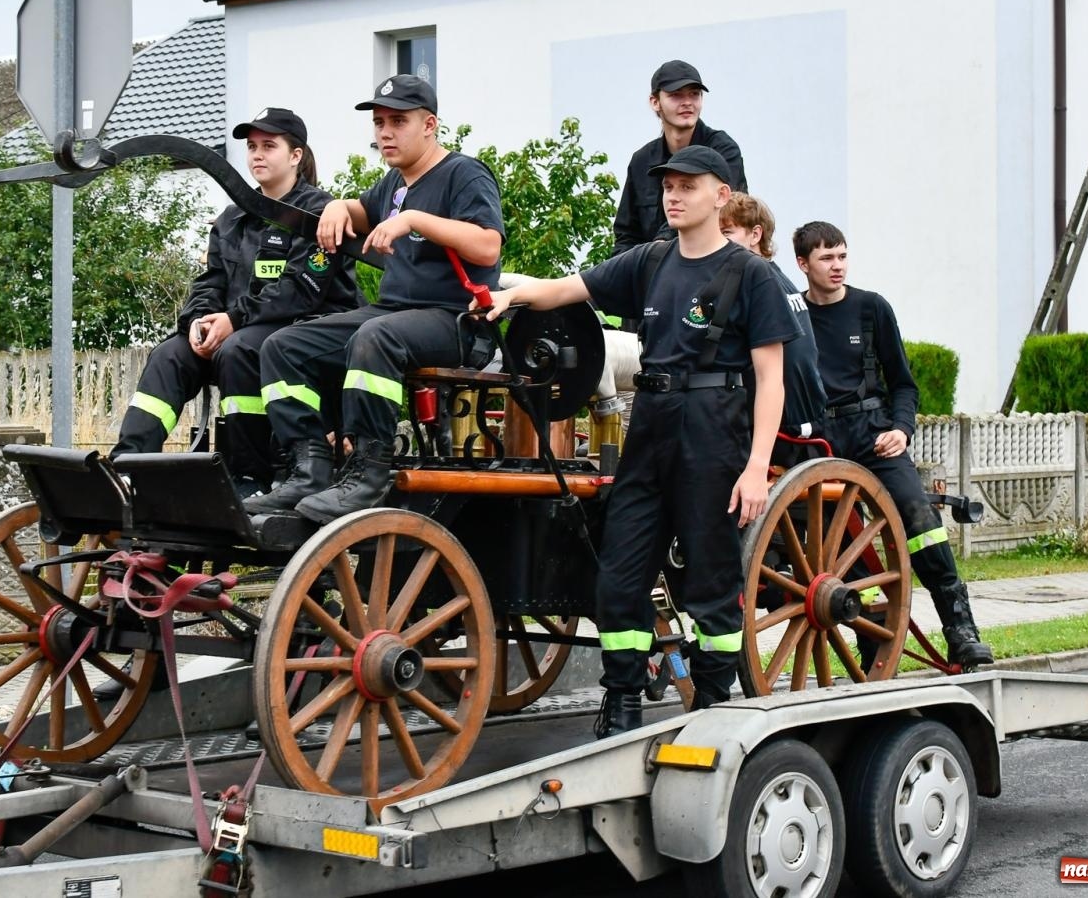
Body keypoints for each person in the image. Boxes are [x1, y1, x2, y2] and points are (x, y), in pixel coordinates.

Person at [485, 145, 795, 737]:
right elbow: (564, 289)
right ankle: (623, 698)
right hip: (650, 422)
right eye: (667, 186)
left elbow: (770, 378)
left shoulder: (750, 274)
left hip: (714, 426)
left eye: (687, 185)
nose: (672, 195)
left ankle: (711, 701)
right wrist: (510, 296)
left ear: (720, 196)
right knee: (619, 573)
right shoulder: (649, 262)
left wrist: (757, 467)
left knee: (710, 578)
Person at [244, 74, 504, 523]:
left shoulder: (464, 173)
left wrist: (416, 220)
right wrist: (337, 207)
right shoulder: (393, 184)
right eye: (379, 122)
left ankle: (369, 472)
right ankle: (309, 470)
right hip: (394, 315)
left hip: (456, 320)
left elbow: (487, 246)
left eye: (397, 121)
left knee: (375, 336)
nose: (384, 132)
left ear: (430, 125)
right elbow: (359, 212)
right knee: (283, 345)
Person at [111, 107, 359, 497]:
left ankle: (250, 478)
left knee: (239, 351)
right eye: (252, 147)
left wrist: (233, 320)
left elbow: (300, 291)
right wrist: (197, 320)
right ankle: (126, 468)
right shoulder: (231, 218)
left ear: (296, 155)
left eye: (269, 146)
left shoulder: (318, 213)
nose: (257, 155)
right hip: (241, 327)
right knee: (170, 354)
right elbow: (210, 281)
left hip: (305, 332)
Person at [792, 221, 993, 668]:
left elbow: (904, 385)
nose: (837, 266)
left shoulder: (872, 309)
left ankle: (961, 629)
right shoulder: (792, 316)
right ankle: (869, 627)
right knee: (831, 549)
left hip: (873, 435)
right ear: (803, 264)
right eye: (826, 258)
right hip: (819, 442)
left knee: (920, 516)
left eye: (842, 256)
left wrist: (901, 430)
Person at [610, 60, 746, 256]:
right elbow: (627, 235)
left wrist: (662, 243)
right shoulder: (641, 160)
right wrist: (621, 276)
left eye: (694, 94)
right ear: (655, 102)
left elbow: (726, 213)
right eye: (676, 95)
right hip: (654, 276)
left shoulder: (722, 150)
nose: (688, 102)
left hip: (713, 267)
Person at [720, 193, 826, 441]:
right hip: (808, 420)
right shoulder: (780, 279)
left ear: (755, 235)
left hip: (777, 429)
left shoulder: (752, 282)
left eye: (726, 233)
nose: (717, 242)